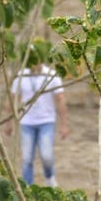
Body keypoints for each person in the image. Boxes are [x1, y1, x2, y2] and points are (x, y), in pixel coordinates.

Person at [8, 53, 70, 187]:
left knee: (46, 156)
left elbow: (60, 100)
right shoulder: (21, 76)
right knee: (26, 158)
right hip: (26, 122)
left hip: (46, 121)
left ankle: (49, 177)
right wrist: (10, 122)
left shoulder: (52, 75)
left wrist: (64, 124)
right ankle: (27, 188)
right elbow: (13, 99)